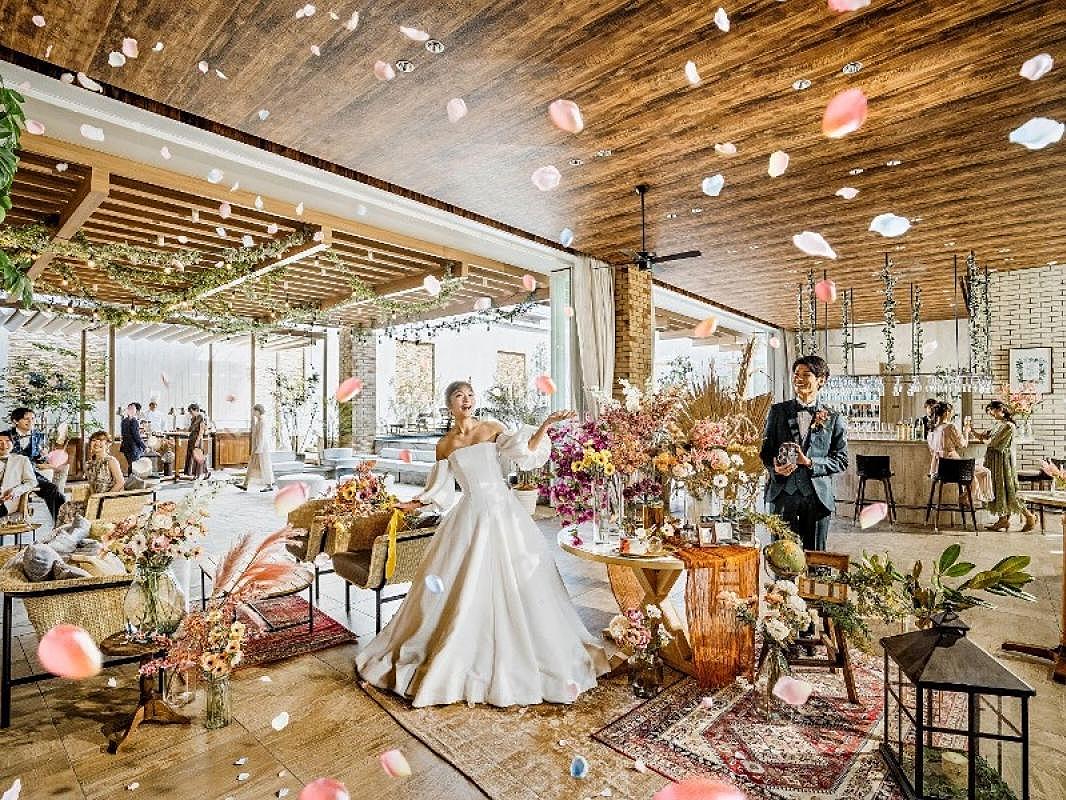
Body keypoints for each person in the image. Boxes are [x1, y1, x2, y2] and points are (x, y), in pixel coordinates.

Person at [356, 380, 608, 707]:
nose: (467, 400)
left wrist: (546, 424)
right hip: (469, 516)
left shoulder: (491, 427)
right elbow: (441, 490)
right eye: (459, 395)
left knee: (522, 582)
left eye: (470, 395)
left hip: (504, 513)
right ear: (449, 403)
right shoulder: (445, 445)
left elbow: (525, 452)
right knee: (464, 588)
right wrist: (413, 503)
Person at [759, 355, 849, 551]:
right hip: (783, 495)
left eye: (806, 374)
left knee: (816, 556)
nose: (798, 379)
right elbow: (765, 453)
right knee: (781, 555)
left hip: (817, 497)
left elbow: (841, 460)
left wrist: (809, 462)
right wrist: (775, 468)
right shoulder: (777, 411)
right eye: (796, 374)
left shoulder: (833, 418)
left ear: (821, 380)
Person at [975, 401, 1037, 532]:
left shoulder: (1008, 426)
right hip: (994, 460)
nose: (990, 413)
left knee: (1008, 490)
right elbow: (984, 437)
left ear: (1001, 410)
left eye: (992, 410)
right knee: (998, 489)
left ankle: (1029, 516)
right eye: (989, 411)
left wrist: (983, 438)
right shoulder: (997, 424)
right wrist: (971, 430)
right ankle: (1003, 520)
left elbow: (992, 442)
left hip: (1002, 461)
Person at [3, 408, 67, 522]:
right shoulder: (5, 436)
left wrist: (45, 458)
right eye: (26, 419)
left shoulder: (39, 436)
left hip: (29, 473)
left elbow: (38, 459)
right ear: (15, 421)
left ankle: (60, 523)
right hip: (8, 473)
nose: (31, 421)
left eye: (33, 418)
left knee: (54, 490)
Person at [926, 401, 994, 504]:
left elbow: (932, 450)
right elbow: (963, 445)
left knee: (974, 473)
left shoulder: (931, 430)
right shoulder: (950, 427)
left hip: (938, 469)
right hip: (955, 468)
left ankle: (966, 496)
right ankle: (967, 497)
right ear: (947, 413)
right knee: (985, 472)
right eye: (951, 412)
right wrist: (966, 431)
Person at [58, 430, 125, 523]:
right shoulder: (88, 465)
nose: (97, 443)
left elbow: (120, 482)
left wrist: (104, 497)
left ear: (107, 444)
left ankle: (72, 530)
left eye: (100, 440)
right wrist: (92, 501)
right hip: (95, 501)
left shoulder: (111, 461)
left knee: (73, 513)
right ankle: (63, 531)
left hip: (110, 501)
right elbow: (92, 486)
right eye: (93, 440)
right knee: (66, 507)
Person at [0, 432, 39, 518]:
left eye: (7, 441)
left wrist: (16, 491)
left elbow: (32, 482)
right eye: (0, 441)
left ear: (13, 444)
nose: (3, 444)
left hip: (6, 502)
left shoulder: (22, 460)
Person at [239, 404, 275, 492]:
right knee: (251, 465)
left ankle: (269, 485)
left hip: (261, 447)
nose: (253, 412)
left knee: (264, 465)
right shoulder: (258, 421)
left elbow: (262, 436)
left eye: (254, 411)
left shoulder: (262, 421)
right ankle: (245, 484)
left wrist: (259, 449)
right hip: (257, 446)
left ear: (258, 411)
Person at [183, 403, 210, 479]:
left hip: (197, 439)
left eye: (191, 412)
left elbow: (201, 431)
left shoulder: (201, 417)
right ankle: (196, 474)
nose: (190, 413)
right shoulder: (193, 418)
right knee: (193, 457)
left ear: (196, 410)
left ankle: (201, 474)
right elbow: (190, 429)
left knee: (198, 457)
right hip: (192, 439)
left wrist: (197, 441)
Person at [120, 403, 147, 474]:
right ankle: (133, 480)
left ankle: (130, 479)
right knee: (135, 467)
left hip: (125, 446)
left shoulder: (124, 421)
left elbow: (124, 434)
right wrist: (144, 446)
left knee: (131, 465)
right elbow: (136, 436)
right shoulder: (134, 421)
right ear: (137, 411)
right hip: (133, 447)